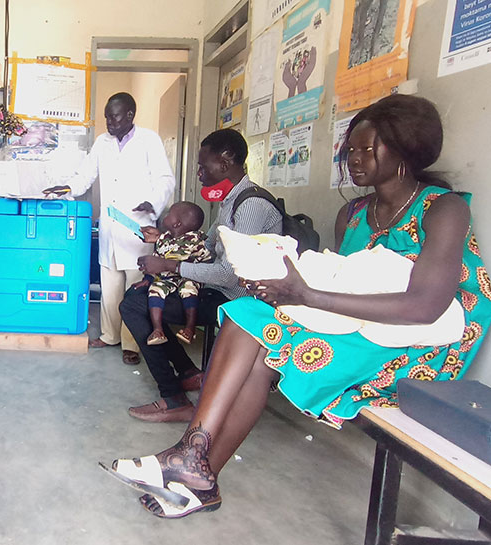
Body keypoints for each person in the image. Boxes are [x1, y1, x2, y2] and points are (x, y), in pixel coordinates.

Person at [103, 94, 491, 519]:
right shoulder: (353, 214)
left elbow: (425, 307)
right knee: (252, 323)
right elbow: (346, 283)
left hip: (424, 346)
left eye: (367, 150)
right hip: (360, 323)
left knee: (255, 331)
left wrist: (303, 296)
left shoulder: (442, 208)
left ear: (405, 149)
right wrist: (286, 289)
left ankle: (194, 462)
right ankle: (196, 467)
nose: (354, 160)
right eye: (352, 150)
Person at [119, 129, 282, 422]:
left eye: (203, 166)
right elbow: (205, 246)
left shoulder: (251, 205)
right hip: (217, 288)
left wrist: (170, 267)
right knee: (137, 296)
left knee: (135, 305)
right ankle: (187, 373)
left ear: (225, 161)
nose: (199, 172)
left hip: (239, 298)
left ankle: (174, 398)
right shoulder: (231, 200)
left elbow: (230, 275)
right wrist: (170, 239)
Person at [43, 92, 175, 365]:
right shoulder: (102, 142)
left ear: (129, 115)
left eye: (114, 117)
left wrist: (153, 202)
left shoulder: (149, 139)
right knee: (110, 285)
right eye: (106, 117)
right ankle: (109, 335)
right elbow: (86, 174)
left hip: (138, 227)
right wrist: (67, 188)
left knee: (135, 289)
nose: (109, 123)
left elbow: (165, 178)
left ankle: (132, 343)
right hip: (110, 227)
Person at [131, 202, 211, 347]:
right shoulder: (164, 239)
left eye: (169, 214)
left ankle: (190, 328)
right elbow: (156, 260)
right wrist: (148, 279)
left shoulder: (197, 240)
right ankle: (158, 330)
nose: (165, 216)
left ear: (177, 224)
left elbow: (207, 262)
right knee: (155, 290)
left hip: (189, 276)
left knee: (188, 288)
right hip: (166, 277)